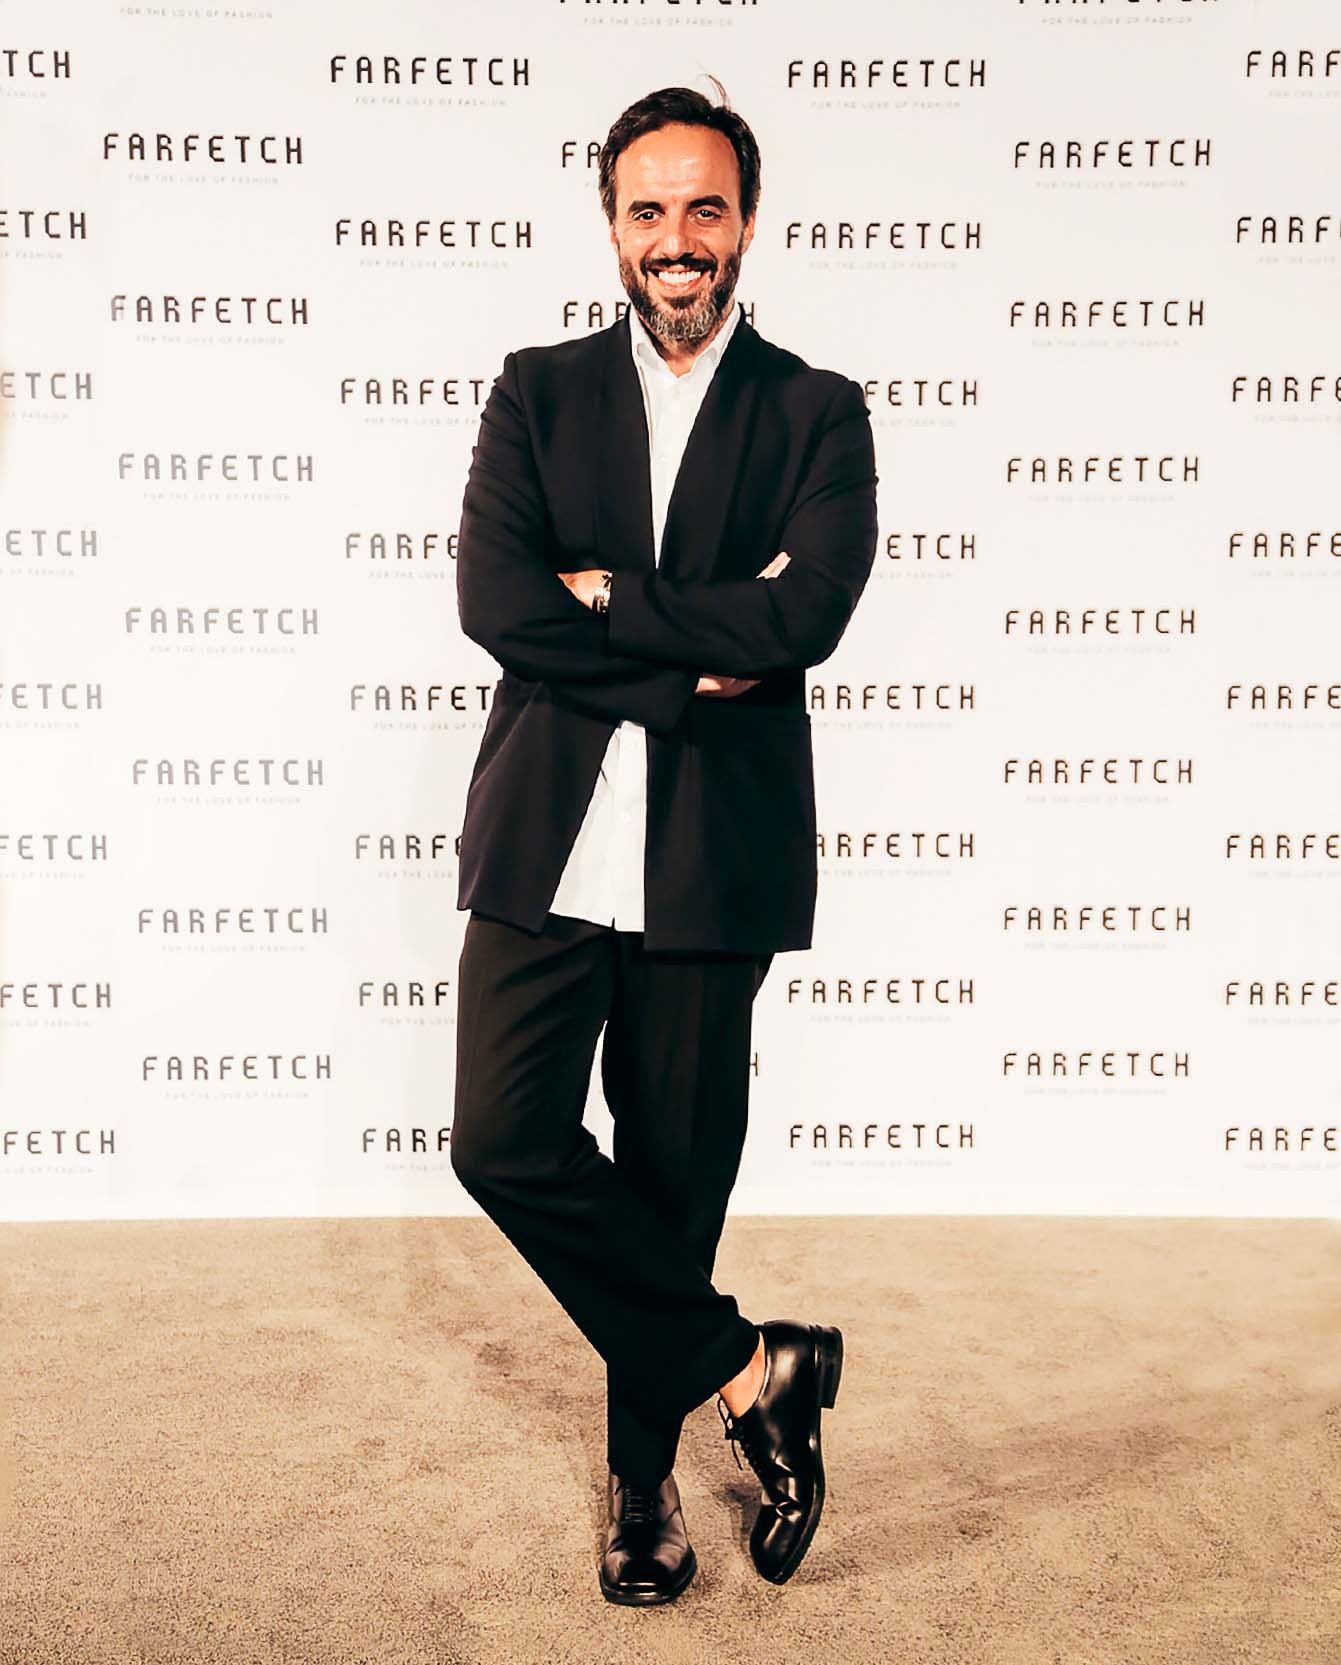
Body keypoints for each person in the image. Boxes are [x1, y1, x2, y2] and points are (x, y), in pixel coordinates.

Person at [448, 81, 878, 1605]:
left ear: (744, 221)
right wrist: (689, 655)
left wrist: (610, 601)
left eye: (704, 206)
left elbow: (802, 615)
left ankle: (643, 1490)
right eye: (648, 209)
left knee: (674, 1177)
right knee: (501, 1139)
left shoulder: (815, 408)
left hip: (712, 857)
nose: (675, 237)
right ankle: (755, 1368)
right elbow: (496, 601)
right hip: (546, 846)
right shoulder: (536, 390)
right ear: (611, 225)